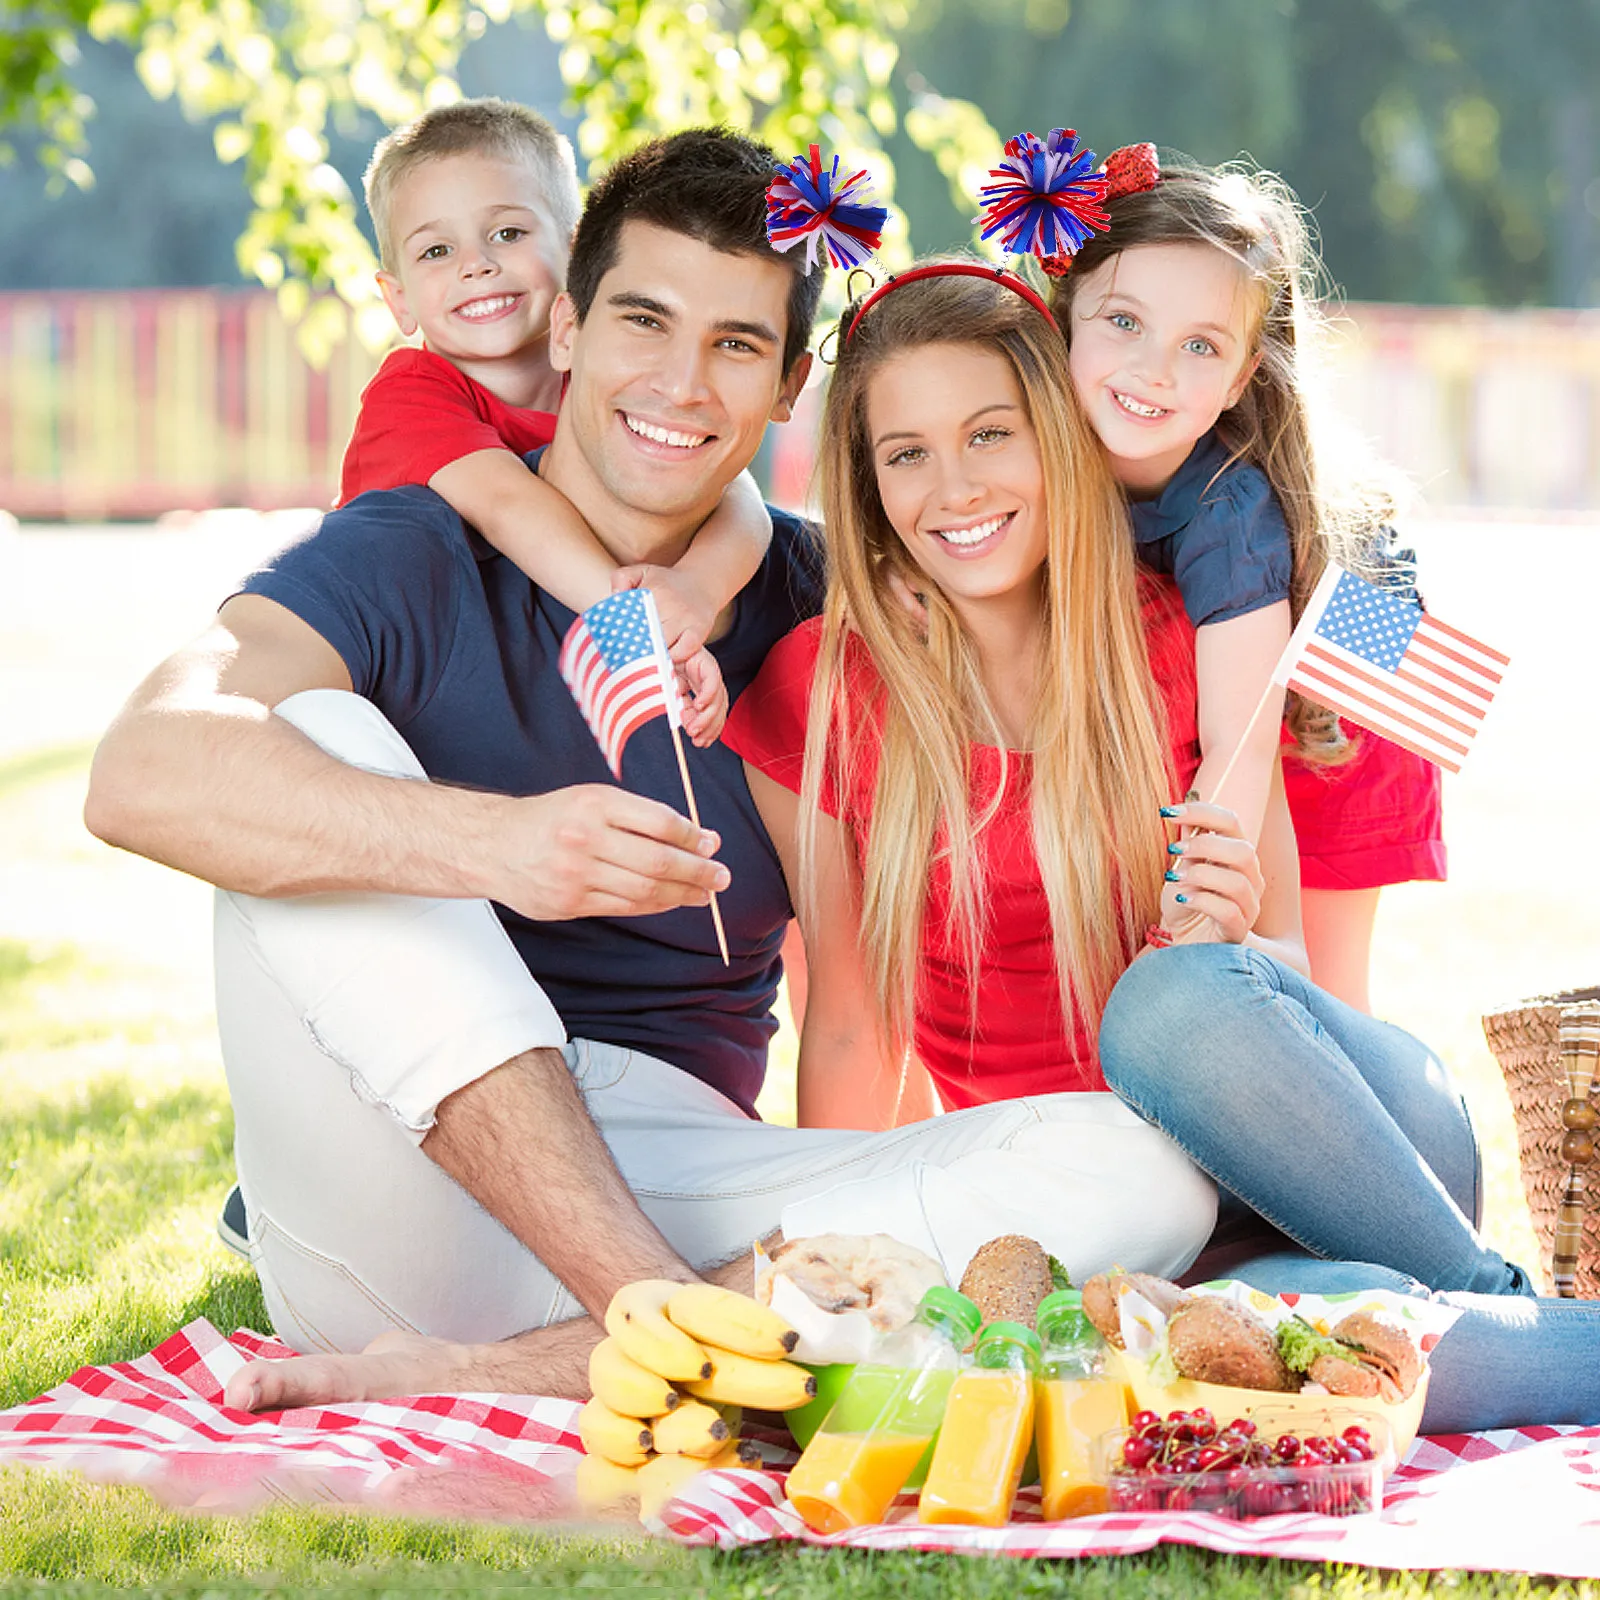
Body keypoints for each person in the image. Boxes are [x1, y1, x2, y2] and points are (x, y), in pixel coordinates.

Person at [84, 131, 1216, 1412]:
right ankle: (684, 1334)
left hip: (685, 1167)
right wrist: (497, 848)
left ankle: (544, 1366)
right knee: (316, 749)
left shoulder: (815, 599)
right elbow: (141, 768)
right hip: (401, 1183)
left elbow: (1048, 584)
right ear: (565, 324)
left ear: (789, 386)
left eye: (735, 344)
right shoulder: (413, 544)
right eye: (642, 320)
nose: (680, 383)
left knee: (1142, 1169)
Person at [725, 261, 1600, 1433]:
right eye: (906, 453)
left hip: (1342, 1151)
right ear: (866, 481)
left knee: (1169, 997)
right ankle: (1521, 1333)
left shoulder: (1192, 643)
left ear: (1057, 437)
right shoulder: (828, 694)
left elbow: (1294, 994)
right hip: (1138, 1232)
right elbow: (846, 1025)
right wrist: (846, 1284)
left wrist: (1245, 936)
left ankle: (1495, 1297)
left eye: (992, 434)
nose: (954, 486)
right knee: (1244, 1349)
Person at [1052, 150, 1445, 1012]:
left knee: (1318, 996)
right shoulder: (1038, 439)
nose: (1155, 368)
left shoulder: (1232, 512)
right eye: (1123, 323)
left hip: (1344, 704)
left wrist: (1193, 905)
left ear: (1240, 379)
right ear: (1061, 317)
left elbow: (1242, 740)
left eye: (1199, 345)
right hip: (1228, 687)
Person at [344, 97, 779, 742]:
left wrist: (696, 590)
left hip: (541, 657)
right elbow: (508, 506)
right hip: (413, 672)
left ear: (577, 254)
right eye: (436, 250)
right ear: (399, 299)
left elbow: (735, 491)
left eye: (509, 234)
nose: (476, 264)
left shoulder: (605, 384)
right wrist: (652, 634)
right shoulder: (412, 394)